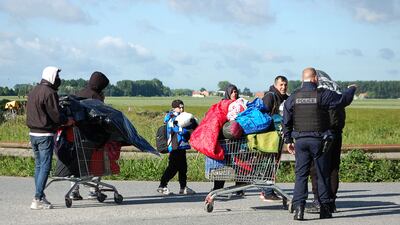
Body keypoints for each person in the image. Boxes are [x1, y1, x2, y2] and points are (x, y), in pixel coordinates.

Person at [283, 67, 356, 220]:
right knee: (322, 175)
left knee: (300, 176)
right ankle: (324, 209)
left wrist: (288, 140)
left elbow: (286, 119)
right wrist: (352, 89)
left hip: (301, 141)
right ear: (315, 78)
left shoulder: (294, 96)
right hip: (319, 141)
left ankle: (299, 209)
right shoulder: (323, 94)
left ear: (303, 79)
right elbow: (344, 99)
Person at [26, 66, 74, 210]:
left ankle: (40, 195)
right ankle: (37, 198)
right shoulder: (50, 93)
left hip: (33, 133)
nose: (59, 79)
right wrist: (67, 121)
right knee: (45, 166)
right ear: (52, 77)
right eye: (57, 76)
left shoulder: (34, 91)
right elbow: (56, 115)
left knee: (39, 165)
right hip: (45, 134)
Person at [306, 71, 347, 213]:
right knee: (333, 168)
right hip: (337, 134)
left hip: (321, 135)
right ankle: (331, 202)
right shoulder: (337, 89)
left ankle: (319, 201)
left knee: (316, 168)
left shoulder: (319, 91)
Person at [69, 71, 110, 200]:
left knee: (77, 163)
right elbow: (100, 115)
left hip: (76, 133)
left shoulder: (79, 93)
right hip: (92, 135)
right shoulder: (96, 97)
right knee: (97, 162)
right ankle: (93, 189)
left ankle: (74, 190)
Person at [212, 84, 246, 196]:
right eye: (232, 92)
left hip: (238, 139)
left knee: (240, 164)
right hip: (226, 140)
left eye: (236, 91)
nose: (234, 94)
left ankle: (239, 188)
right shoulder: (223, 104)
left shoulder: (240, 104)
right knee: (223, 165)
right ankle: (217, 188)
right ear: (228, 93)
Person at [259, 75, 289, 202]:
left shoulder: (285, 98)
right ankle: (267, 191)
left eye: (285, 84)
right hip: (269, 136)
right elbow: (263, 116)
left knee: (272, 163)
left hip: (277, 136)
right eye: (281, 84)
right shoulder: (270, 96)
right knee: (269, 163)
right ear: (276, 84)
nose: (283, 87)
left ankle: (267, 190)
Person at [157, 100, 196, 195]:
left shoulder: (182, 117)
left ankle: (183, 187)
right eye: (179, 107)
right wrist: (189, 129)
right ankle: (162, 186)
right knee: (172, 168)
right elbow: (179, 130)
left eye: (183, 107)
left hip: (181, 146)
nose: (181, 109)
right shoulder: (171, 118)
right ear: (174, 108)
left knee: (183, 168)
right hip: (175, 146)